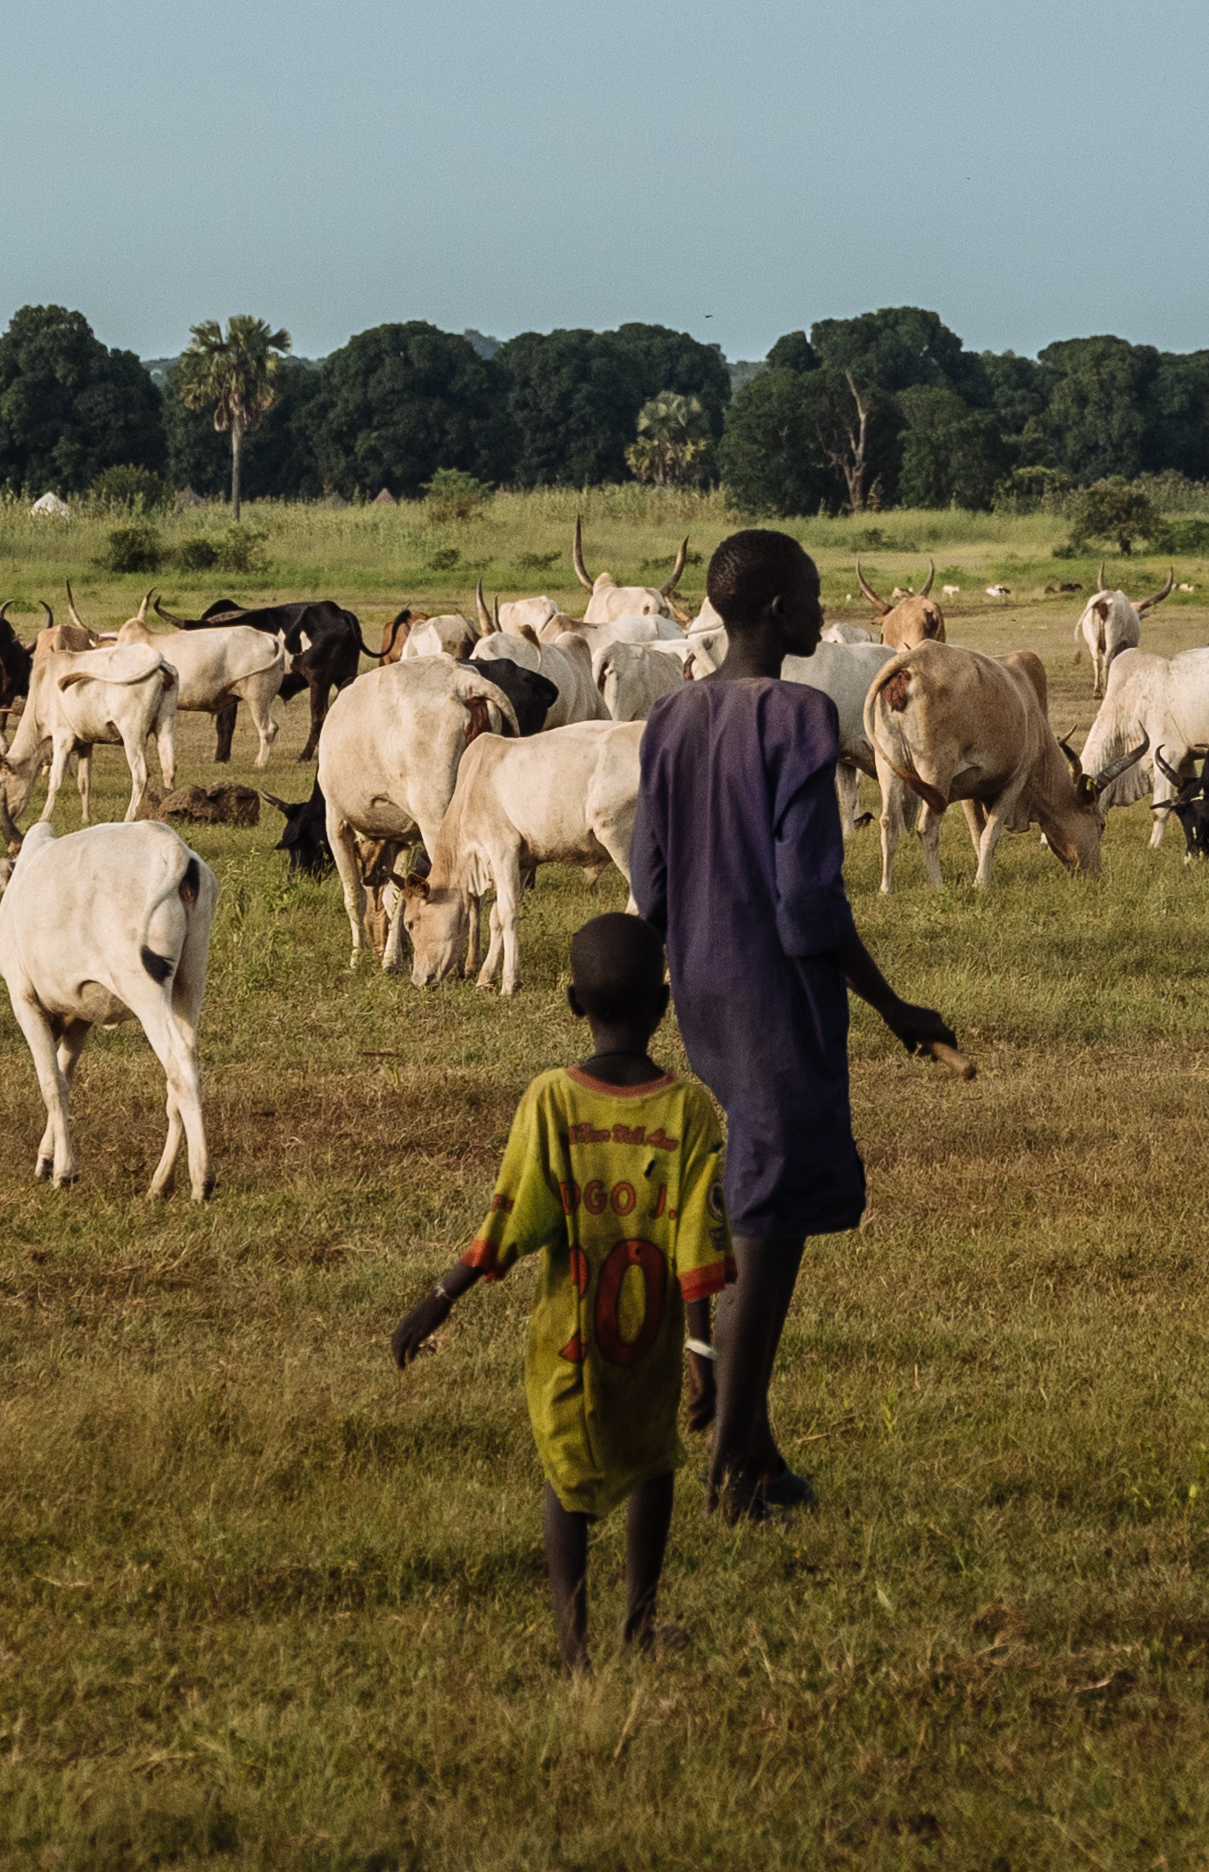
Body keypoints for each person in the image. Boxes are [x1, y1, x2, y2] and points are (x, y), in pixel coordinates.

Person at [630, 527, 962, 1519]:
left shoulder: (670, 719)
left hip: (700, 986)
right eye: (813, 595)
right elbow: (807, 904)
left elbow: (649, 883)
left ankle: (753, 1435)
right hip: (777, 991)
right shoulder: (799, 720)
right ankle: (734, 1462)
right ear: (776, 610)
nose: (826, 612)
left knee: (752, 1181)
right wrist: (896, 1008)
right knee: (772, 1216)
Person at [387, 911, 732, 1668]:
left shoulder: (550, 1100)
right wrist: (701, 1349)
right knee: (652, 1464)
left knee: (563, 1477)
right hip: (651, 1346)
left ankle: (574, 1647)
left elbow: (508, 1218)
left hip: (565, 1347)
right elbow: (697, 1240)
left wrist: (439, 1296)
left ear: (573, 1002)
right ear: (664, 1004)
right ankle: (638, 1625)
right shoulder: (691, 1110)